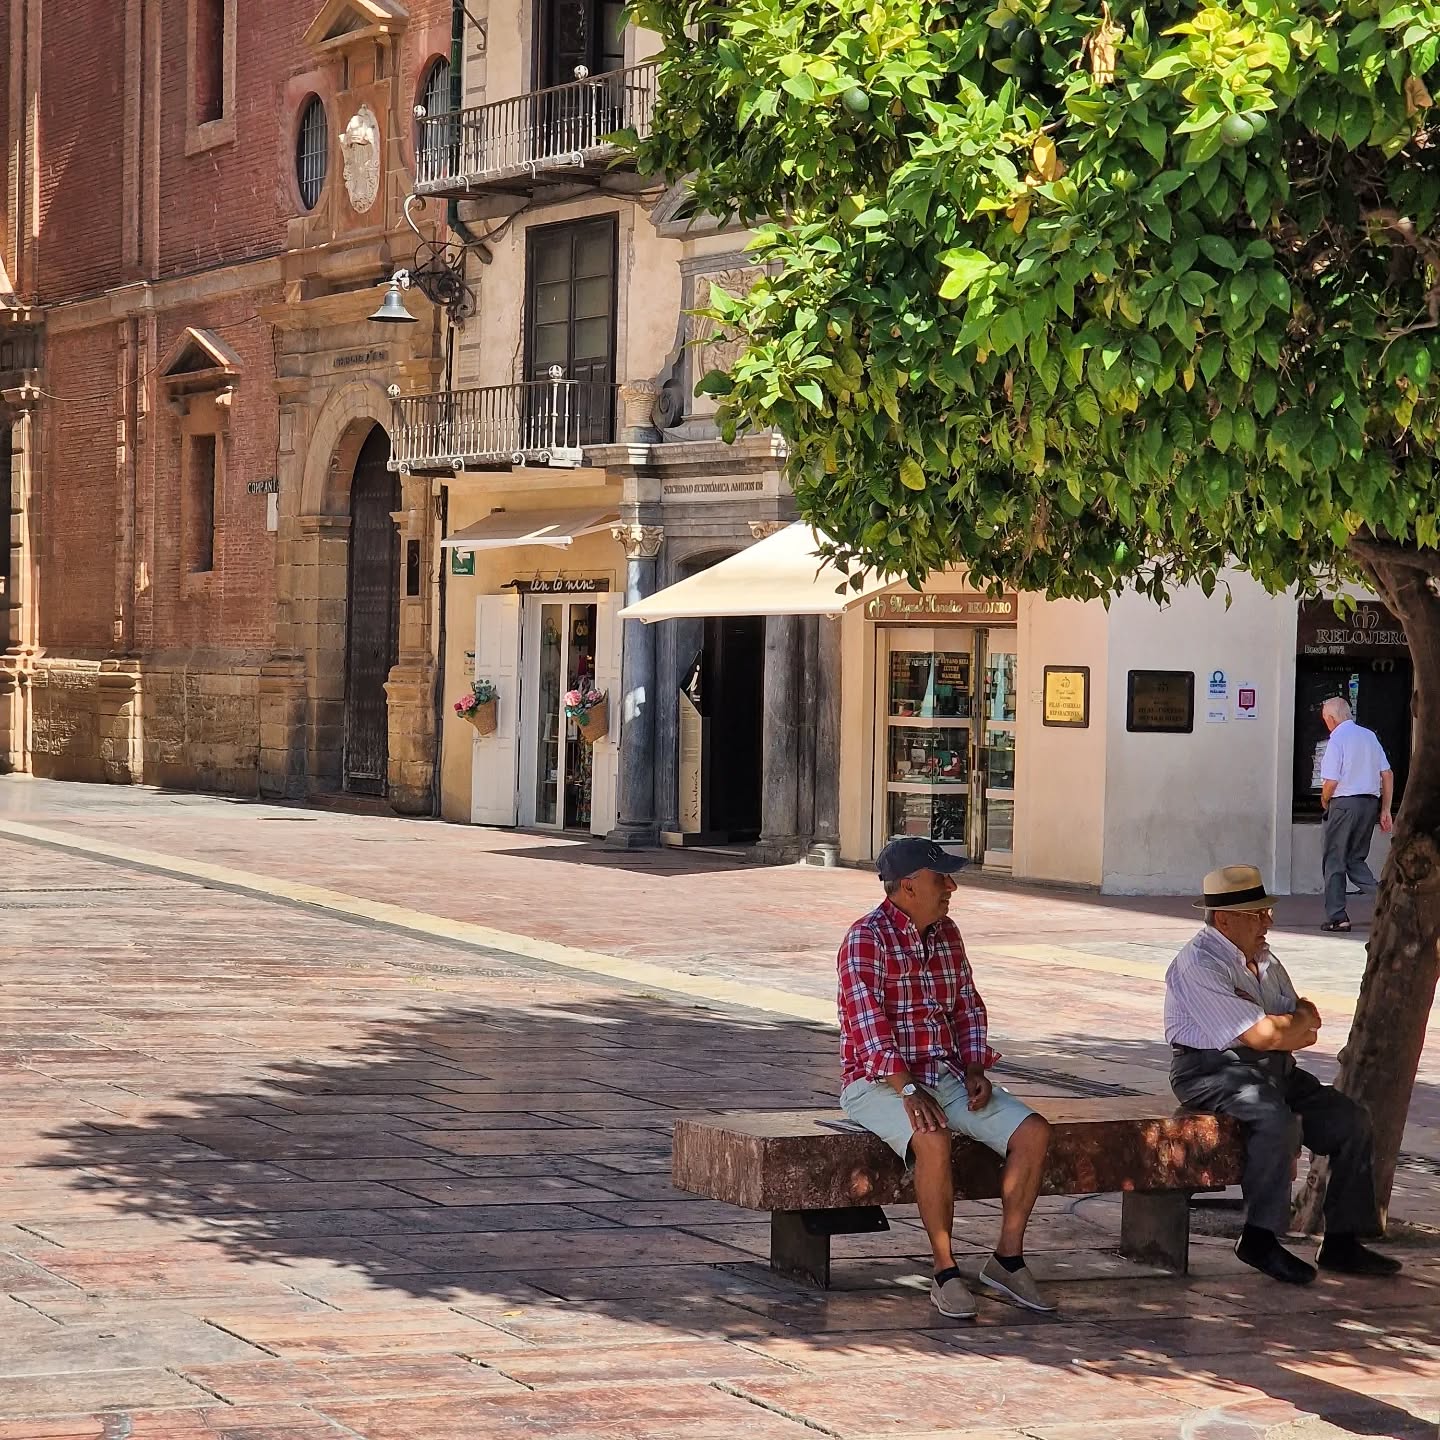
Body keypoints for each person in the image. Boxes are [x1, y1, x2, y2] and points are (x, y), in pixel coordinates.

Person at [837, 837, 1054, 1319]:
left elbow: (967, 1007)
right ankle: (944, 1269)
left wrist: (975, 1066)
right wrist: (908, 1088)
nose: (952, 887)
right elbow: (866, 1026)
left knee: (1033, 1132)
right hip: (876, 1081)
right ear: (909, 886)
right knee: (931, 1140)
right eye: (942, 879)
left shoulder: (947, 933)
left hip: (946, 1074)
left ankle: (1007, 1258)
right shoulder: (864, 938)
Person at [1165, 864, 1401, 1285]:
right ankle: (1259, 1236)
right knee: (1274, 1119)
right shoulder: (1198, 965)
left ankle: (1342, 1241)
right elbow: (1259, 1035)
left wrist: (1282, 1029)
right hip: (1209, 1069)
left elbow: (1305, 1021)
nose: (1268, 921)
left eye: (1266, 912)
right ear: (1224, 919)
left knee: (1350, 1121)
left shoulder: (1265, 959)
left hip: (1274, 1067)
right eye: (1256, 914)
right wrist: (1279, 1030)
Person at [1318, 697, 1394, 932]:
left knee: (1335, 860)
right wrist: (1385, 809)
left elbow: (1331, 780)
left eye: (1325, 720)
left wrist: (1324, 800)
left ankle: (1337, 917)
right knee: (1355, 859)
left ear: (1331, 719)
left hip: (1344, 804)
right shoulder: (1369, 736)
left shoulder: (1337, 739)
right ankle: (1389, 904)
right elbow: (1387, 774)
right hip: (1369, 804)